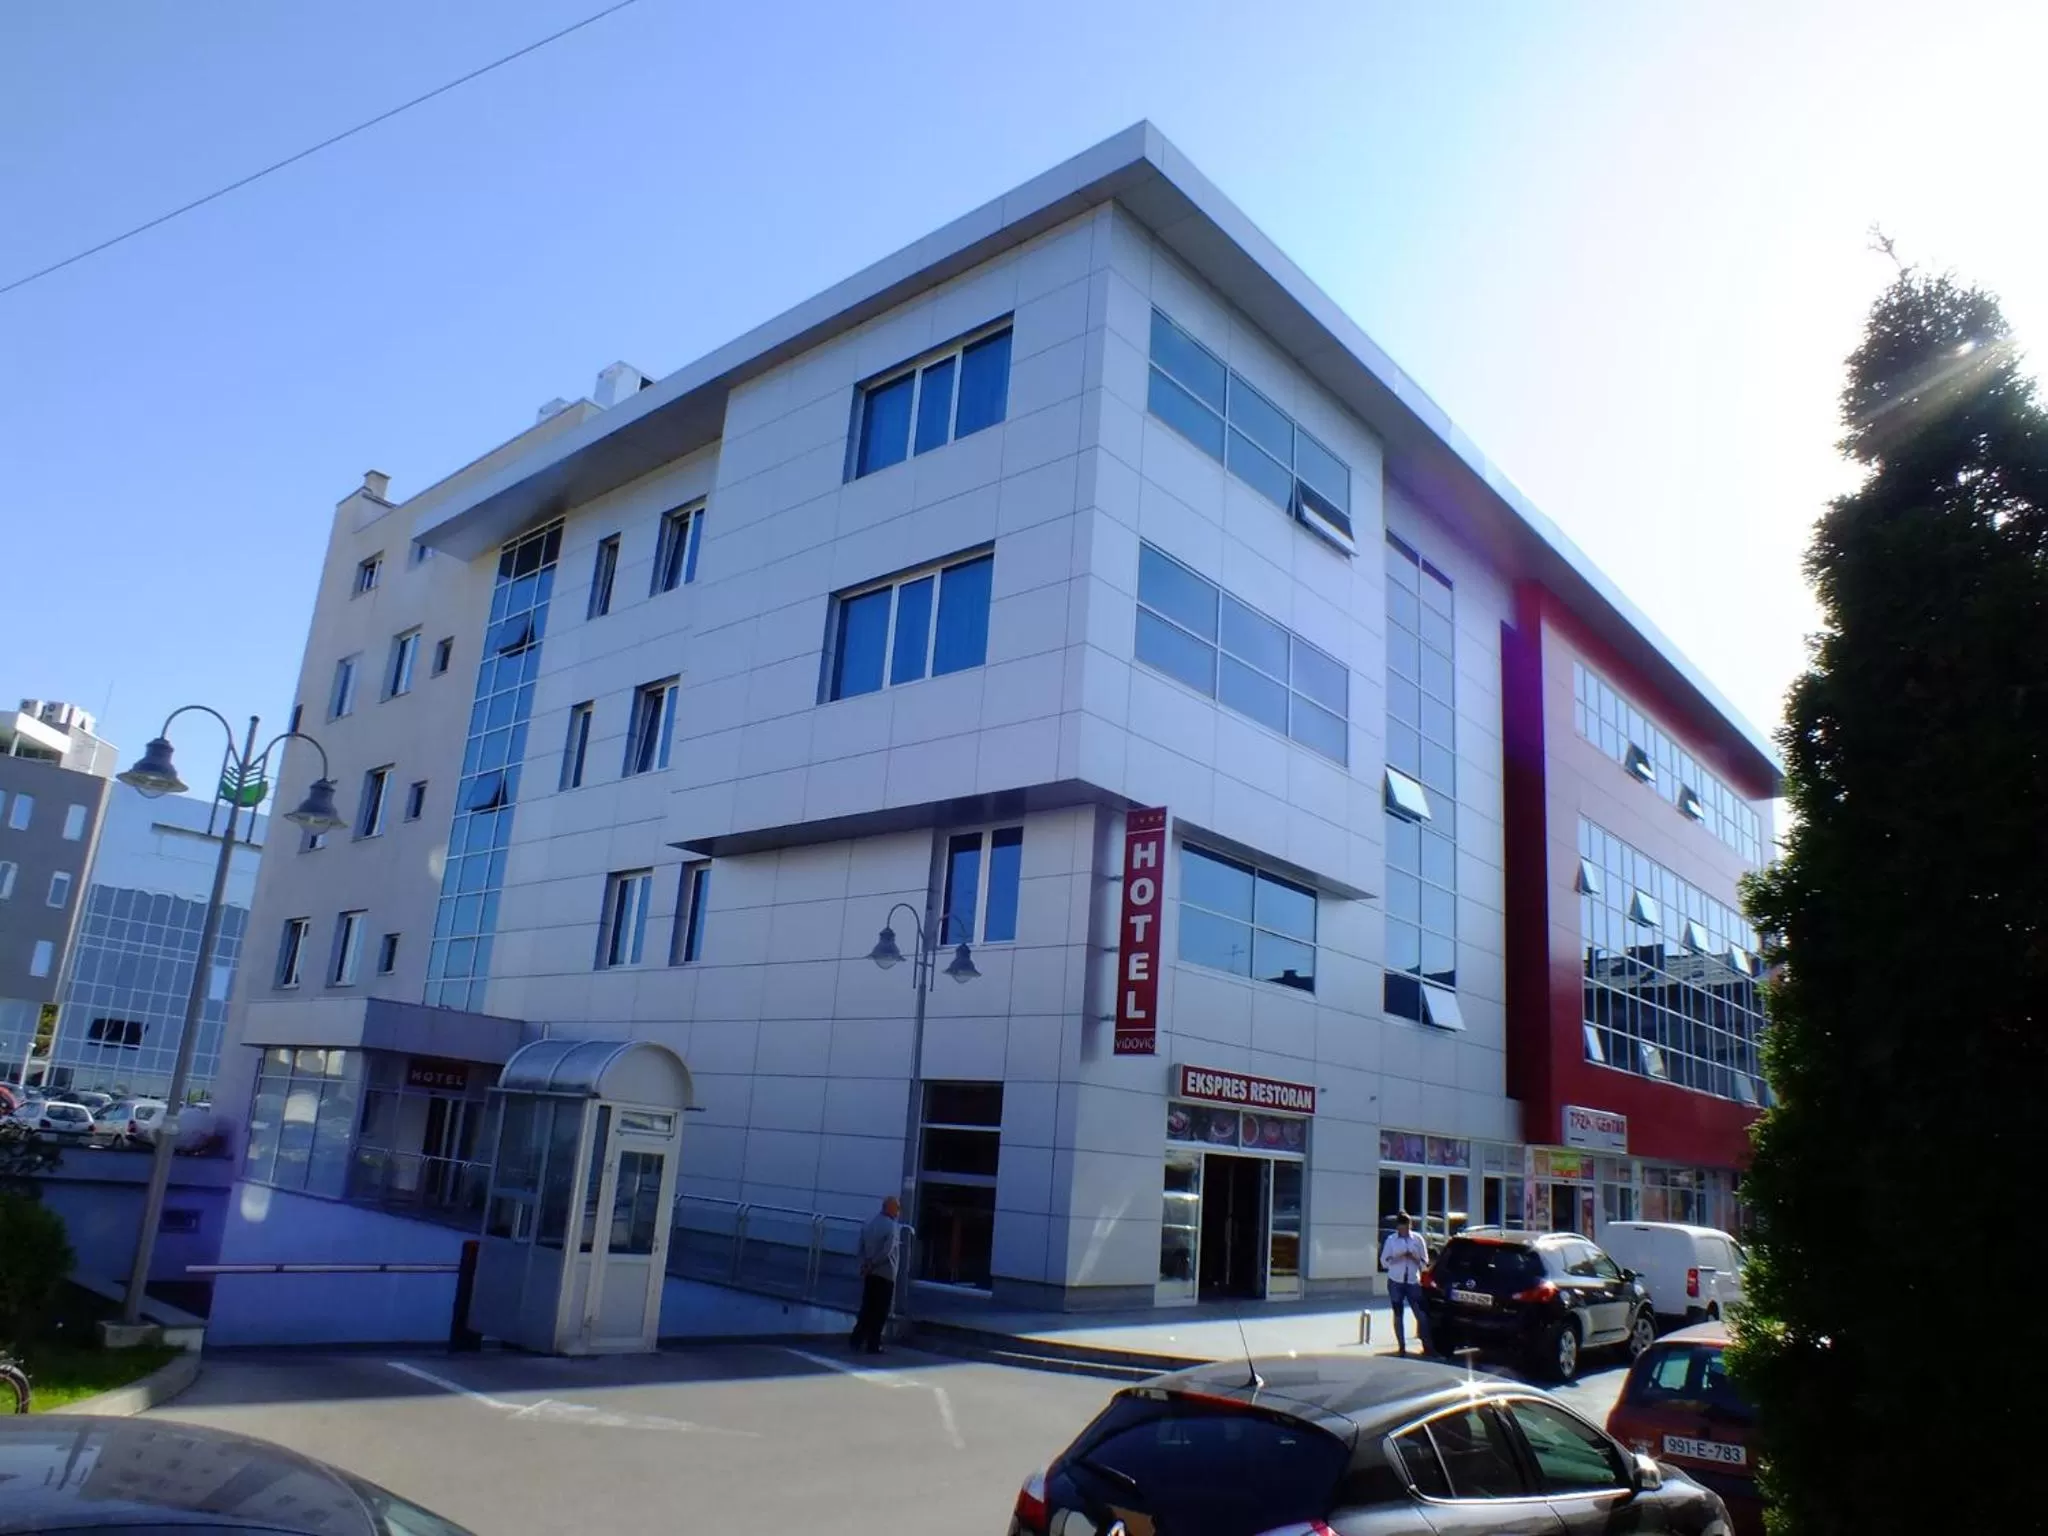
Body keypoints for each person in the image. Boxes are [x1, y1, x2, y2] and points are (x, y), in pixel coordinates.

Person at [849, 1195, 901, 1355]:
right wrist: (874, 1263)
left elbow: (861, 1246)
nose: (898, 1211)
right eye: (897, 1208)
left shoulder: (870, 1223)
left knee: (867, 1307)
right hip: (885, 1273)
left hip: (870, 1273)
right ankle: (874, 1343)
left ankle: (856, 1339)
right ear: (890, 1208)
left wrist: (865, 1264)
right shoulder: (892, 1227)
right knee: (880, 1311)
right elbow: (887, 1250)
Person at [1380, 1212, 1433, 1356]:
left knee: (1421, 1314)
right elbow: (1384, 1261)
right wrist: (1398, 1257)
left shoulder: (1417, 1239)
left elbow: (1425, 1263)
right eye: (1402, 1228)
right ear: (1398, 1227)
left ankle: (1427, 1346)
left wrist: (1414, 1257)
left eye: (1407, 1228)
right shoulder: (1391, 1240)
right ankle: (1401, 1347)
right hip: (1395, 1280)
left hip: (1412, 1281)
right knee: (1398, 1314)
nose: (1404, 1231)